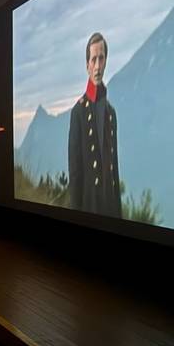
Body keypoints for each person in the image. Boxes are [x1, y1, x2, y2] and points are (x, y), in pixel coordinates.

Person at [68, 32, 121, 218]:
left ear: (106, 61)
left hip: (111, 210)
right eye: (93, 60)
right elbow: (75, 176)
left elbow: (115, 170)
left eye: (101, 58)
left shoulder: (111, 113)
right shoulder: (78, 112)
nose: (98, 66)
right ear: (87, 66)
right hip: (90, 210)